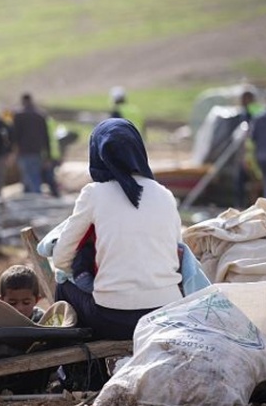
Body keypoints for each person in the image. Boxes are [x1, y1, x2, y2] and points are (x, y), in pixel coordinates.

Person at [44, 118, 182, 341]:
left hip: (115, 320)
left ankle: (81, 372)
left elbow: (61, 259)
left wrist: (90, 275)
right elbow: (176, 252)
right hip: (167, 313)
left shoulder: (94, 193)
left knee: (62, 287)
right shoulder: (165, 195)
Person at [12, 92, 51, 194]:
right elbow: (46, 137)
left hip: (23, 151)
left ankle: (34, 199)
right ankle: (29, 199)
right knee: (32, 175)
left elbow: (15, 135)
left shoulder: (18, 115)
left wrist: (13, 151)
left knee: (29, 177)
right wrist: (48, 155)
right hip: (37, 151)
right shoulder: (40, 115)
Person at [234, 89, 261, 208]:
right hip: (247, 154)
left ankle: (252, 206)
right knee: (242, 182)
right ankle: (242, 205)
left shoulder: (254, 113)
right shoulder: (246, 113)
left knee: (254, 181)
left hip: (252, 154)